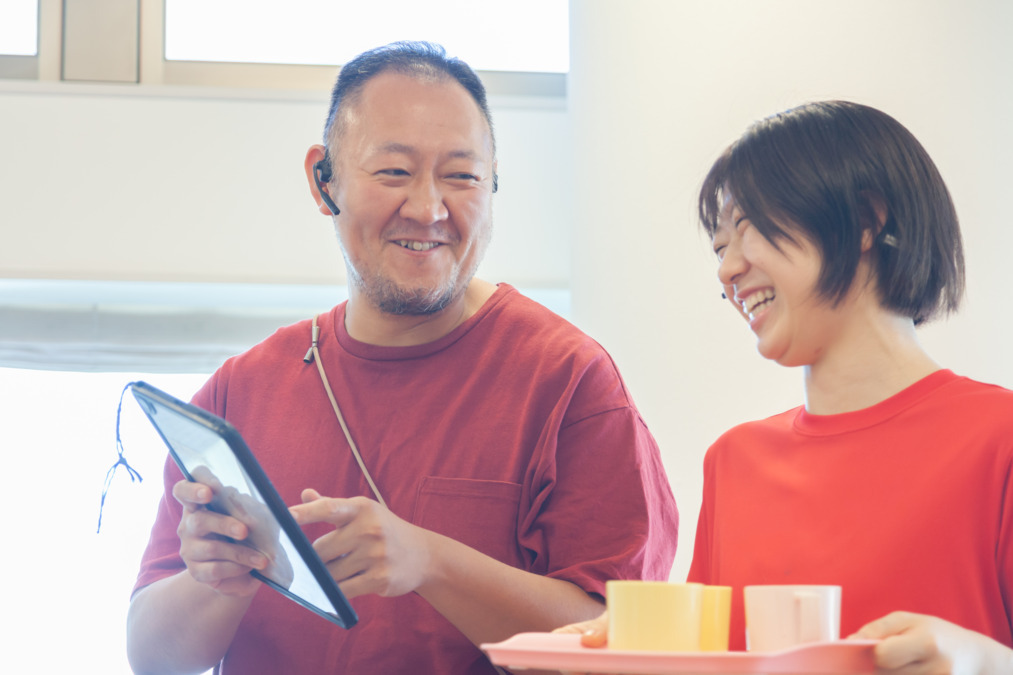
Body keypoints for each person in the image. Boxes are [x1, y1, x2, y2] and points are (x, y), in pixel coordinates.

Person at [124, 41, 677, 674]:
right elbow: (153, 657)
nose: (429, 209)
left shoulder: (568, 380)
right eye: (393, 172)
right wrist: (221, 576)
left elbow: (631, 648)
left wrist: (429, 562)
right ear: (322, 180)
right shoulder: (241, 390)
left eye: (462, 176)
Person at [557, 101, 1013, 673]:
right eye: (720, 248)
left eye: (747, 230)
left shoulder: (999, 438)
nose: (726, 270)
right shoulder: (734, 461)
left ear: (867, 220)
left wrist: (988, 662)